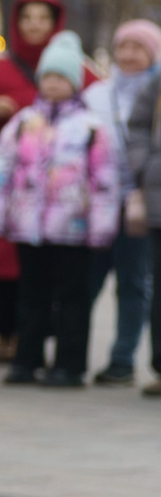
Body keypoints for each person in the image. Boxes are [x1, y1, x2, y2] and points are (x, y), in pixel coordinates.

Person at [0, 30, 116, 388]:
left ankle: (70, 365)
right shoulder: (24, 123)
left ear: (74, 83)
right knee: (31, 294)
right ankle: (27, 358)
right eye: (48, 78)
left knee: (73, 297)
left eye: (61, 78)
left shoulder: (90, 128)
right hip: (30, 226)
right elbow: (1, 171)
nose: (54, 85)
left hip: (73, 229)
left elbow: (104, 180)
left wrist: (102, 225)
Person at [0, 0, 67, 363]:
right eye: (28, 18)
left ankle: (35, 335)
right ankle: (4, 334)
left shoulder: (73, 67)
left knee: (41, 261)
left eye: (43, 19)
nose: (34, 26)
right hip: (1, 180)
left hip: (50, 182)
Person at [93, 20, 159, 384]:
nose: (129, 55)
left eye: (138, 48)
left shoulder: (156, 89)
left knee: (134, 283)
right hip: (98, 203)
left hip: (141, 202)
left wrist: (142, 171)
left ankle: (123, 357)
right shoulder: (97, 94)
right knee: (86, 280)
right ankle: (68, 355)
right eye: (123, 47)